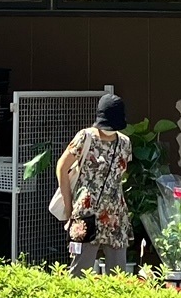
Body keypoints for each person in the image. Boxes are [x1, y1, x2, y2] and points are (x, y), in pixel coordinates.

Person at [55, 92, 134, 274]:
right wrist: (69, 207)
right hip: (86, 212)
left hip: (115, 214)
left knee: (118, 274)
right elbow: (62, 167)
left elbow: (119, 175)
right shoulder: (86, 137)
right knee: (79, 271)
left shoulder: (125, 143)